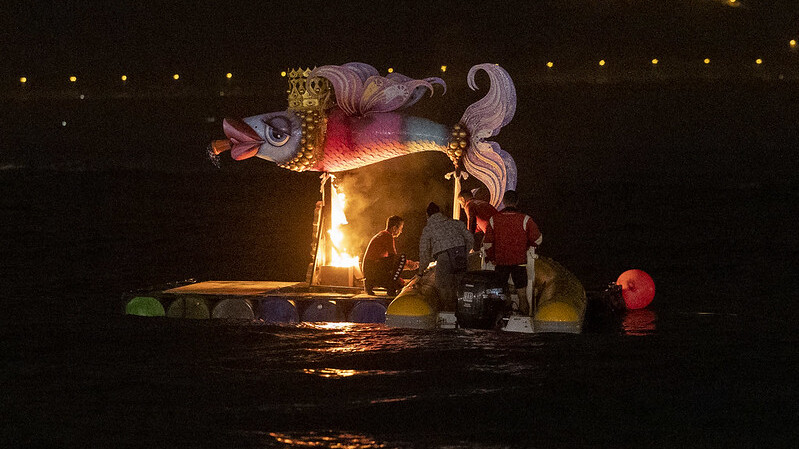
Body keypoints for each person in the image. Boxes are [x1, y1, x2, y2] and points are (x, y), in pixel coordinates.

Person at [483, 190, 542, 316]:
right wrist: (529, 246)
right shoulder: (525, 219)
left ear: (504, 202)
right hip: (519, 262)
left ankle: (504, 317)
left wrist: (492, 257)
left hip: (501, 262)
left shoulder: (494, 220)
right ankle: (524, 320)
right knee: (522, 294)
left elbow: (487, 243)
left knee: (501, 293)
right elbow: (537, 239)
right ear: (517, 202)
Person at [418, 202, 474, 310]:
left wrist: (421, 271)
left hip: (444, 257)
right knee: (460, 285)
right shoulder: (455, 223)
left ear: (427, 215)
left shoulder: (428, 228)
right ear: (440, 212)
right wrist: (465, 252)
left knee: (442, 286)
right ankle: (462, 311)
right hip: (461, 255)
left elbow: (424, 251)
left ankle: (448, 311)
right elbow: (470, 238)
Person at [362, 215, 418, 296]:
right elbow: (395, 259)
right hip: (374, 270)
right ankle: (391, 287)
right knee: (401, 258)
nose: (401, 231)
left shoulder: (381, 234)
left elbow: (391, 264)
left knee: (400, 284)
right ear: (394, 228)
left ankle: (370, 284)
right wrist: (410, 264)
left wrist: (408, 267)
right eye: (401, 228)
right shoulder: (387, 235)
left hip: (370, 272)